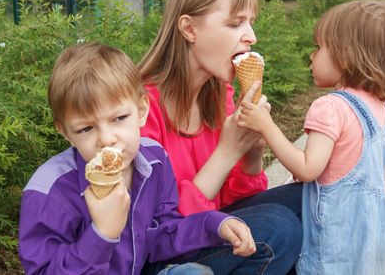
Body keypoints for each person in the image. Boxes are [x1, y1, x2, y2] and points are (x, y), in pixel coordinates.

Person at [18, 43, 258, 275]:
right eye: (85, 129)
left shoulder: (154, 161)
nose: (107, 139)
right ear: (65, 132)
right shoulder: (49, 192)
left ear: (142, 110)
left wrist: (213, 225)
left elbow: (163, 233)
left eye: (119, 118)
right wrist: (101, 234)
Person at [138, 0, 302, 274]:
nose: (251, 36)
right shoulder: (138, 109)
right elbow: (158, 225)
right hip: (161, 251)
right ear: (189, 29)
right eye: (235, 23)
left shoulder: (219, 94)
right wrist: (227, 152)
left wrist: (250, 154)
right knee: (278, 228)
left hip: (210, 226)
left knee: (312, 198)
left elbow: (228, 200)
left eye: (251, 23)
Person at [238, 0, 385, 274]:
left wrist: (266, 126)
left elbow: (308, 168)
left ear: (345, 56)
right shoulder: (380, 108)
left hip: (336, 235)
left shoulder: (331, 106)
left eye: (319, 48)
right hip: (373, 231)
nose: (311, 56)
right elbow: (341, 163)